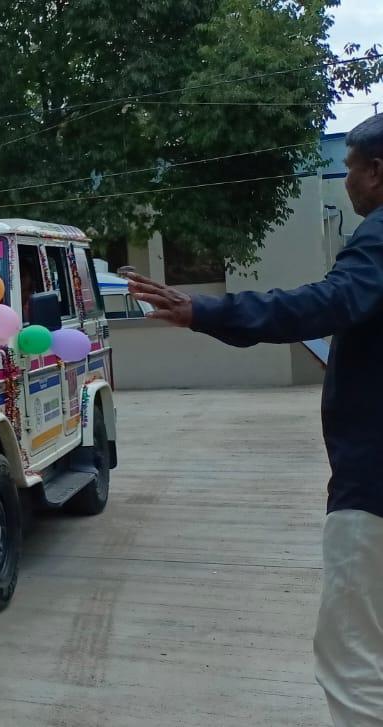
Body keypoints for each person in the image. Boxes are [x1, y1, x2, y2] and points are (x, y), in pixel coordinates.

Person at [123, 114, 383, 726]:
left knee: (352, 655)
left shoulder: (379, 236)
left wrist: (205, 312)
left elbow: (330, 300)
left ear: (377, 172)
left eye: (347, 169)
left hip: (373, 484)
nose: (343, 182)